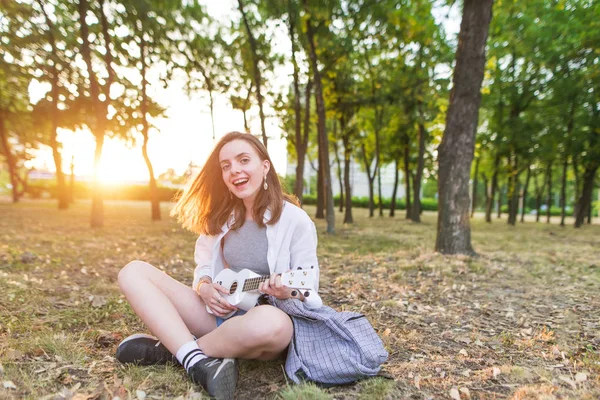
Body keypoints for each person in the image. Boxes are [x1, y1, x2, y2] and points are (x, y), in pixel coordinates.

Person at [116, 131, 322, 399]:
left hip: (262, 323)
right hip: (218, 316)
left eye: (243, 160)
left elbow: (309, 290)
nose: (234, 170)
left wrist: (286, 291)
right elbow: (203, 266)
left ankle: (176, 351)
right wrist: (203, 288)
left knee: (275, 325)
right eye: (226, 166)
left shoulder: (295, 221)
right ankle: (198, 361)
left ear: (265, 166)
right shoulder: (223, 217)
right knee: (133, 271)